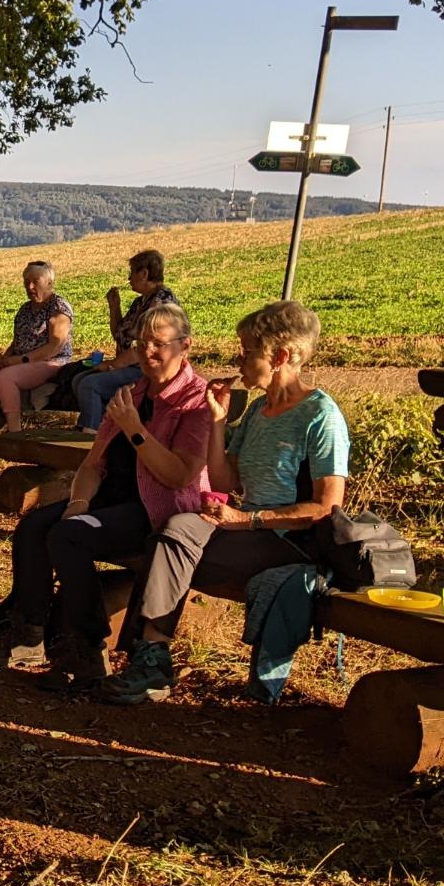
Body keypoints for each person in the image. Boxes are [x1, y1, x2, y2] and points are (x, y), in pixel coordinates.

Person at [100, 300, 350, 704]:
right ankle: (150, 657)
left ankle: (149, 660)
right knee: (174, 529)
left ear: (281, 356)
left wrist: (247, 521)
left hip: (289, 540)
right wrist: (218, 421)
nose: (239, 358)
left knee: (174, 539)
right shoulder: (258, 411)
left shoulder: (320, 416)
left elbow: (325, 508)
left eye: (248, 350)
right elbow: (223, 479)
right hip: (243, 528)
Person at [0, 303, 212, 692]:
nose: (147, 352)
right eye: (141, 343)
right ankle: (28, 635)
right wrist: (77, 503)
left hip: (156, 511)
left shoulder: (194, 401)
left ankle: (85, 647)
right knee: (36, 526)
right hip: (106, 502)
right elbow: (93, 463)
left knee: (70, 536)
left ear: (185, 346)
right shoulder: (131, 391)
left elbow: (178, 475)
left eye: (159, 344)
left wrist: (135, 429)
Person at [0, 261, 72, 439]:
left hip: (51, 363)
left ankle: (15, 433)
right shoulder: (25, 309)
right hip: (20, 362)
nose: (30, 286)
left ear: (49, 283)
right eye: (26, 281)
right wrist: (6, 358)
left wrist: (22, 360)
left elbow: (55, 346)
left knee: (5, 377)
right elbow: (18, 340)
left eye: (35, 281)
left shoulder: (58, 307)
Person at [72, 249, 181, 433]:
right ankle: (99, 427)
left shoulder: (161, 302)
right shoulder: (141, 302)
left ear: (144, 274)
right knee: (79, 379)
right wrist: (114, 307)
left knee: (90, 384)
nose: (128, 279)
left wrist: (112, 365)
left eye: (131, 273)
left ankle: (90, 436)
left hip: (146, 369)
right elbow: (120, 334)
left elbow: (144, 346)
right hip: (130, 366)